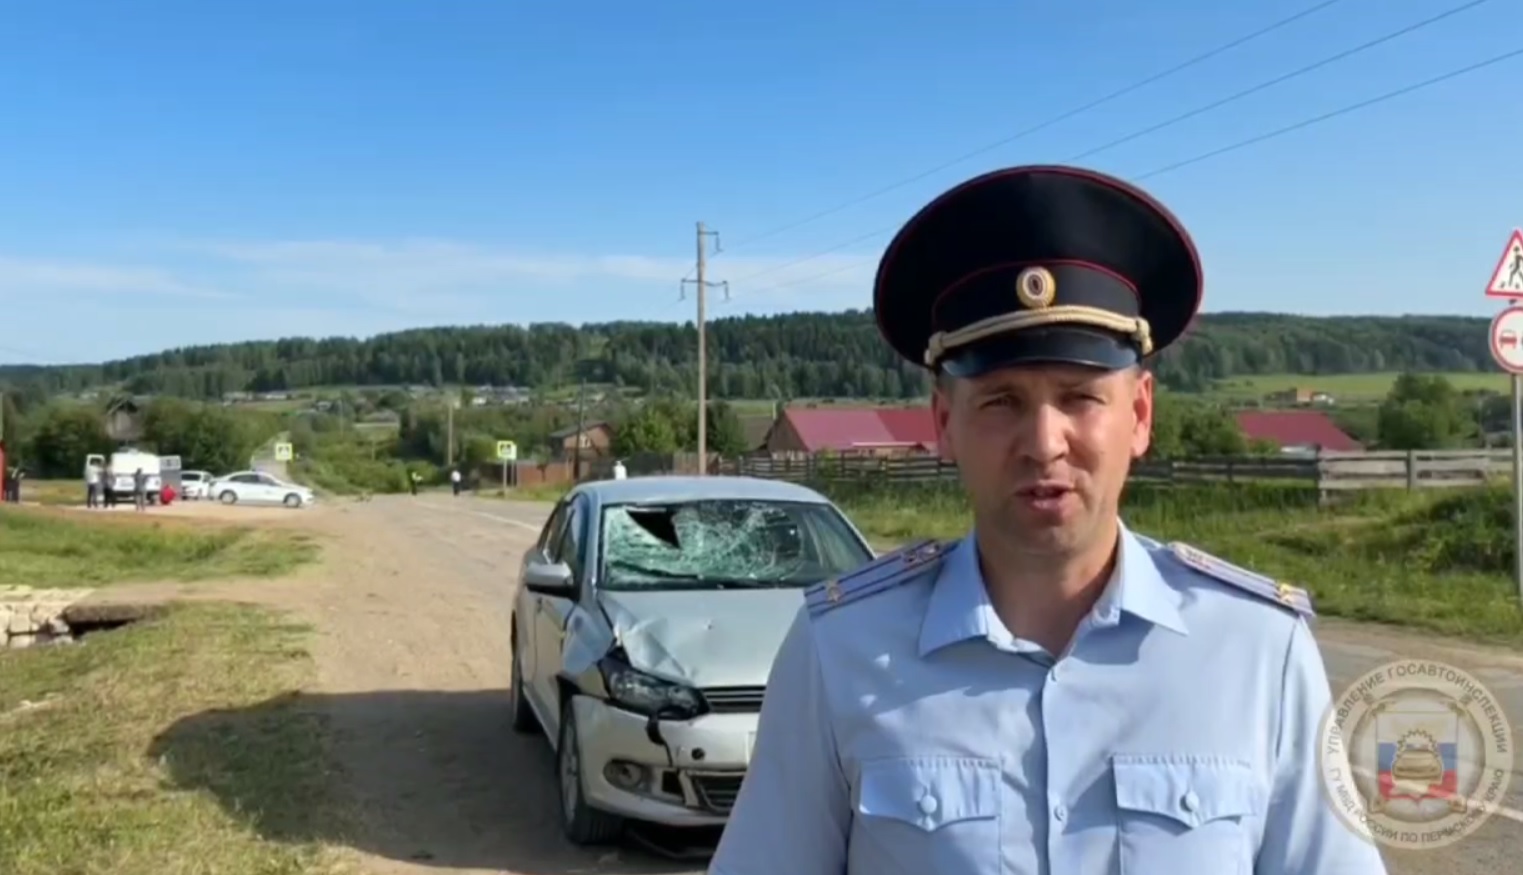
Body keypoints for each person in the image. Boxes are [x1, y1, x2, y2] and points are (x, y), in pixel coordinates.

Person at [709, 165, 1388, 875]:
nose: (1042, 441)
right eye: (1000, 400)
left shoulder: (1255, 652)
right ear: (945, 422)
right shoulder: (840, 652)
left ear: (1140, 415)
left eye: (1079, 396)